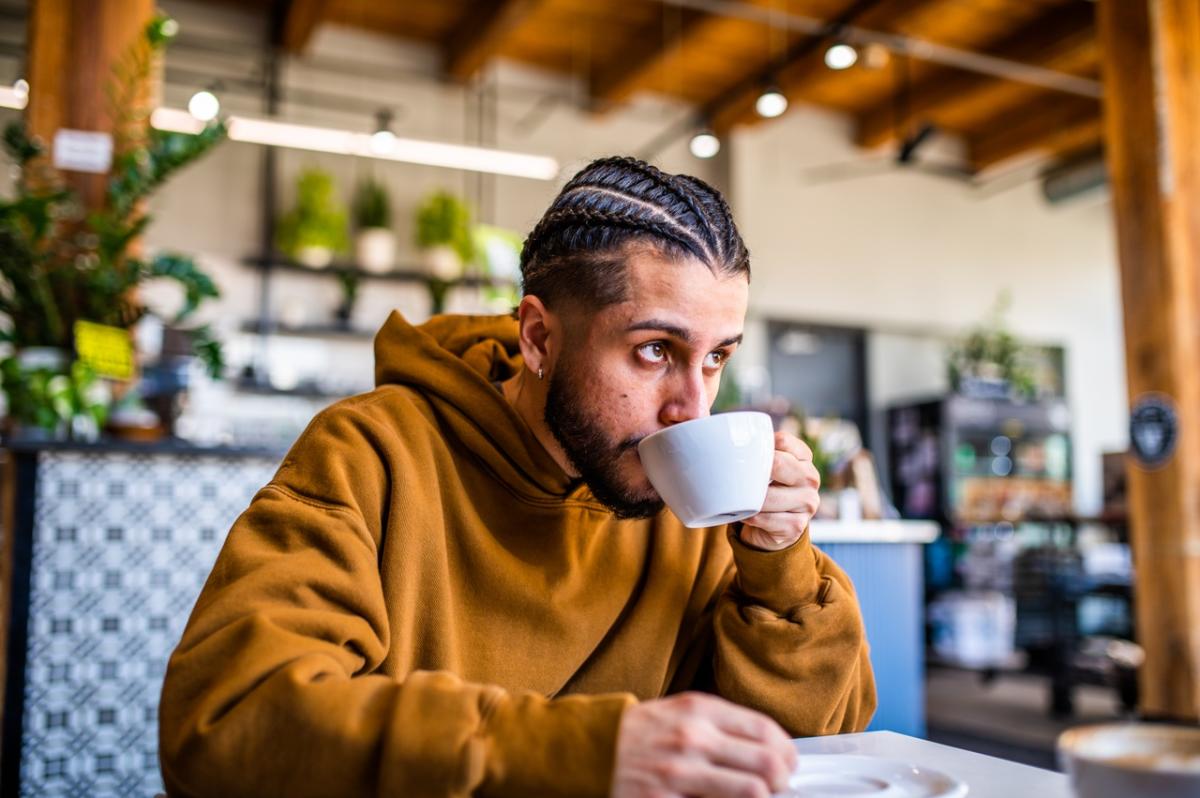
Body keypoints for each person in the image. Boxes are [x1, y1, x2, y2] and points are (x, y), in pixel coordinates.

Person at [159, 156, 876, 798]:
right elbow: (229, 724)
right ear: (538, 337)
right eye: (656, 350)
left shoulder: (685, 505)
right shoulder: (373, 452)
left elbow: (817, 750)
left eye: (716, 358)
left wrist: (778, 567)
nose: (692, 407)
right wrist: (579, 753)